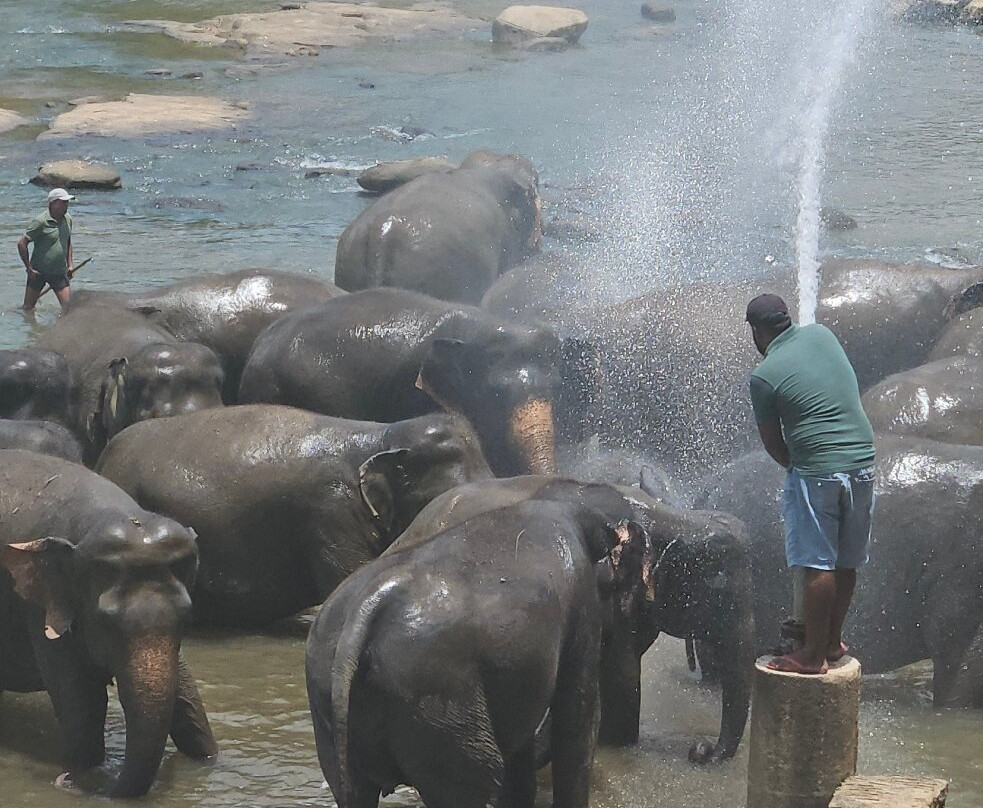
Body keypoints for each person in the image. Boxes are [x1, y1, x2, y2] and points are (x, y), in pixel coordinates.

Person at [746, 293, 875, 675]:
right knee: (846, 560)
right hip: (863, 461)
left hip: (819, 470)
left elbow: (773, 442)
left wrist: (799, 466)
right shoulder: (822, 334)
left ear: (757, 331)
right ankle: (832, 642)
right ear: (787, 318)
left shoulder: (764, 376)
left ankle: (812, 657)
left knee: (817, 565)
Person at [18, 188, 76, 311]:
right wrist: (29, 268)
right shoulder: (40, 222)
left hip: (59, 272)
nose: (67, 205)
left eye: (67, 202)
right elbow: (22, 243)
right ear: (53, 203)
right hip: (38, 272)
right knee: (28, 309)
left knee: (69, 309)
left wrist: (70, 265)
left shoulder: (68, 219)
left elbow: (68, 241)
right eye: (63, 202)